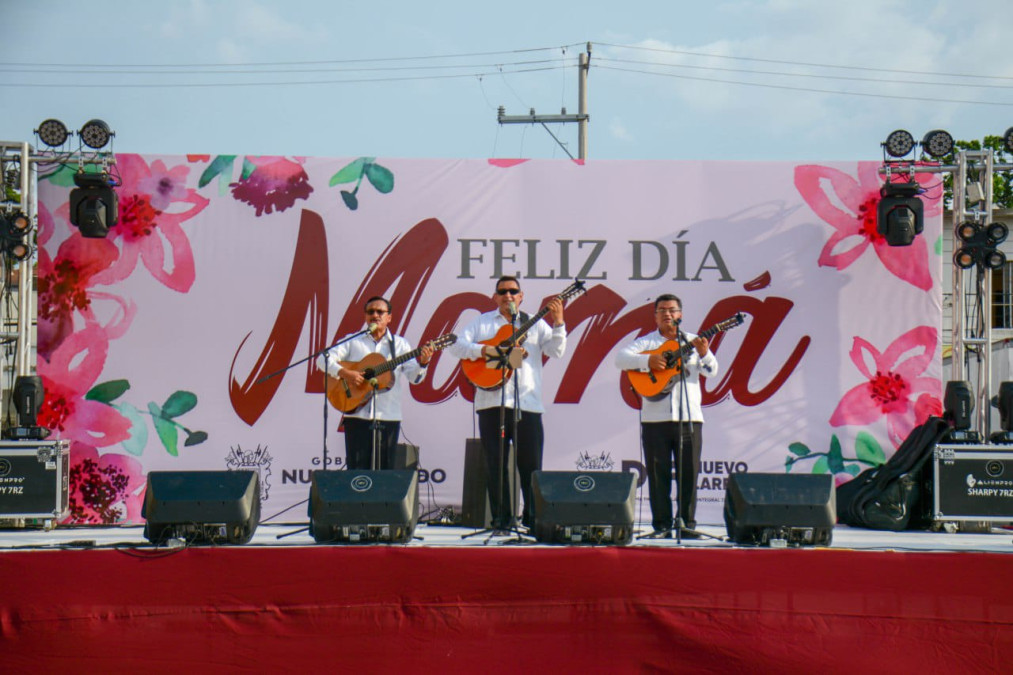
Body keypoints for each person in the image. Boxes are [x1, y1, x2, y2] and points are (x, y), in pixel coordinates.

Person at [450, 276, 566, 530]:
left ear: (521, 296)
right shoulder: (482, 322)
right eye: (502, 291)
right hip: (492, 403)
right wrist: (489, 352)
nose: (508, 295)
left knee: (531, 466)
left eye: (513, 291)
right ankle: (502, 519)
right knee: (496, 464)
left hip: (528, 404)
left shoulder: (534, 323)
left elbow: (556, 351)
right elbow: (456, 346)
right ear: (495, 297)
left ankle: (533, 519)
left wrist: (558, 322)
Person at [615, 294, 718, 538]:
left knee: (689, 473)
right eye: (661, 310)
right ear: (655, 316)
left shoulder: (693, 341)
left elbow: (712, 371)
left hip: (689, 418)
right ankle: (661, 526)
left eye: (672, 310)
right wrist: (649, 360)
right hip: (655, 419)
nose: (667, 314)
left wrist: (704, 354)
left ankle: (687, 524)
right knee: (658, 474)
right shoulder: (647, 342)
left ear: (680, 314)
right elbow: (620, 359)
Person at [318, 296, 433, 470]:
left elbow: (415, 378)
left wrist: (423, 363)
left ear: (389, 317)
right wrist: (346, 373)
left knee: (384, 472)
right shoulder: (352, 340)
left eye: (380, 311)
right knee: (357, 473)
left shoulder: (400, 345)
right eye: (370, 311)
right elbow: (322, 359)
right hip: (357, 416)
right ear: (365, 316)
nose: (375, 315)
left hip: (388, 416)